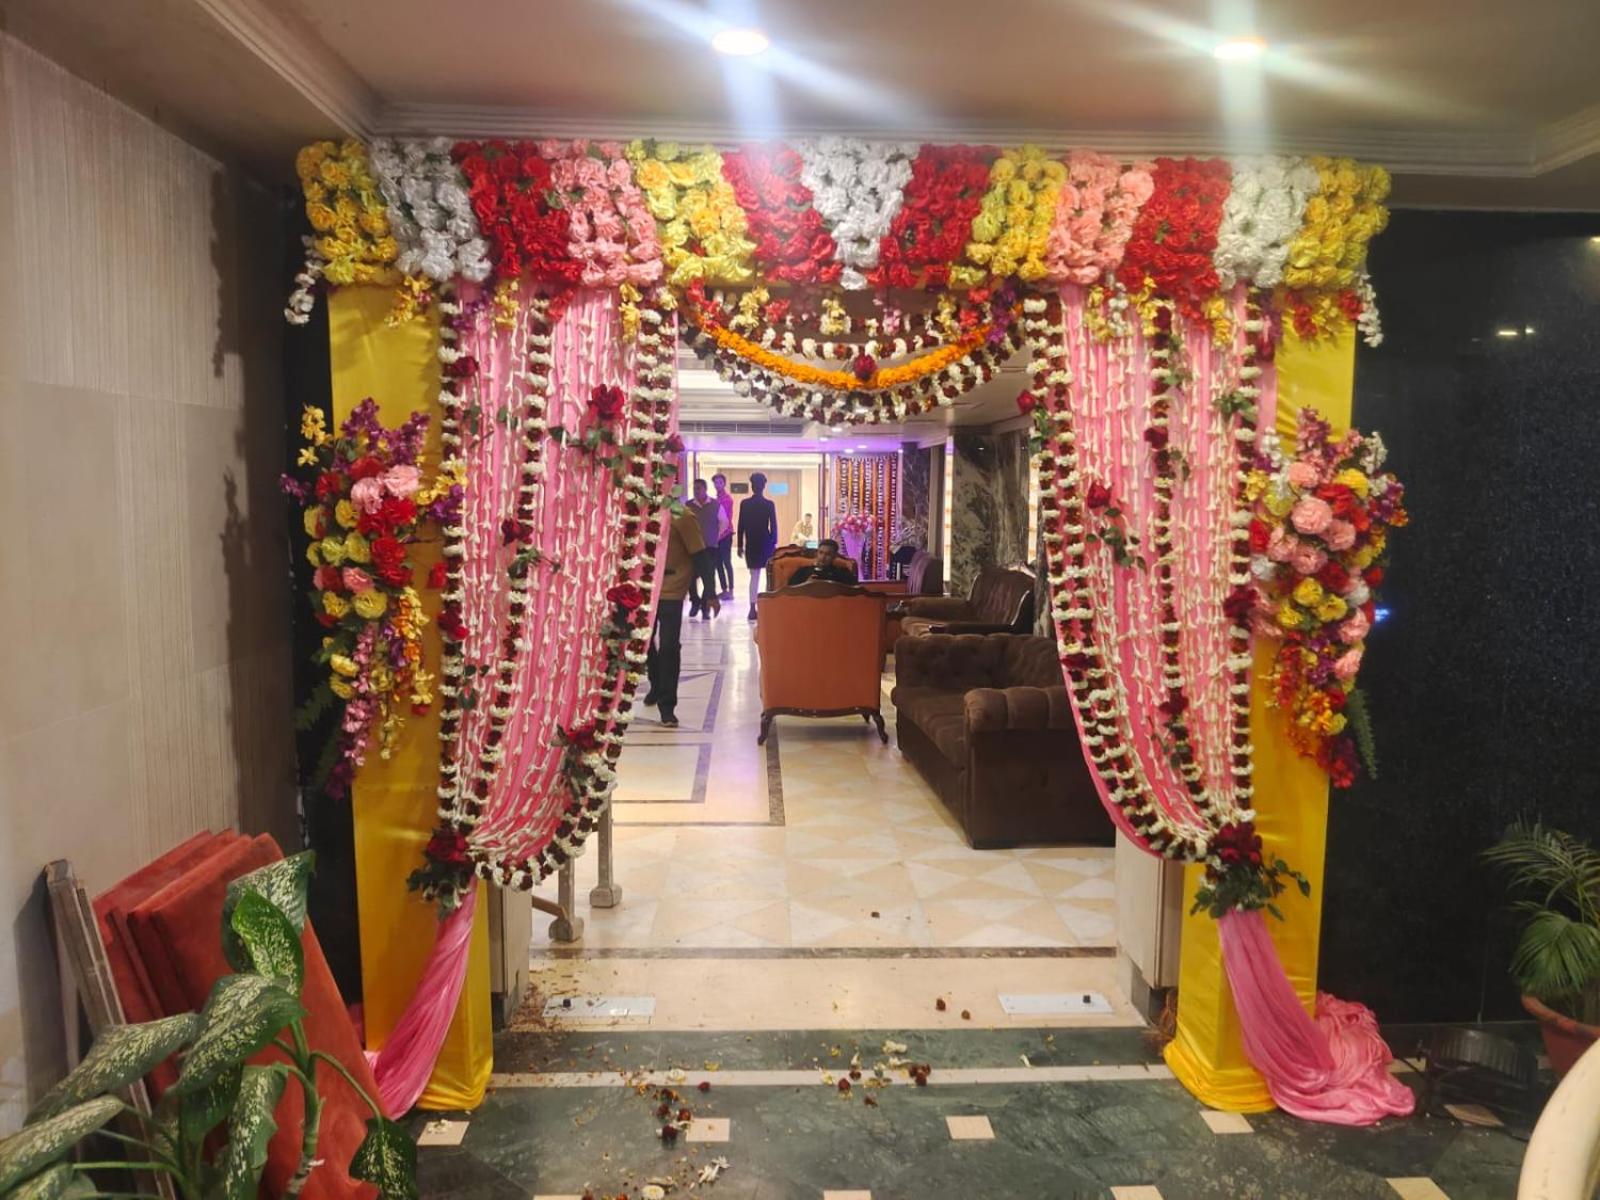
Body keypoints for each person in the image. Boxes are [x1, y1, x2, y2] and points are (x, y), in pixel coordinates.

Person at [643, 506, 706, 727]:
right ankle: (656, 683)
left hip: (672, 588)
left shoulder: (682, 515)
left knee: (669, 646)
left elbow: (699, 554)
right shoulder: (641, 511)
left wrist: (708, 592)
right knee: (644, 642)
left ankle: (667, 706)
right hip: (644, 587)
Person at [736, 472, 779, 621]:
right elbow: (774, 526)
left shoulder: (745, 503)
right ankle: (767, 607)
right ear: (763, 486)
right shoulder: (769, 504)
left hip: (752, 543)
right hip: (766, 543)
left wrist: (740, 545)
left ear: (752, 486)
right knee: (769, 577)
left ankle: (752, 608)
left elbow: (741, 525)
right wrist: (774, 543)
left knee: (754, 576)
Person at [685, 479, 723, 620]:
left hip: (710, 547)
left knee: (709, 579)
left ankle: (705, 606)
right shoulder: (688, 506)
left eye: (699, 488)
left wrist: (715, 536)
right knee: (690, 577)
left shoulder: (715, 505)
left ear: (705, 489)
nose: (696, 491)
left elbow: (724, 522)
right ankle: (694, 601)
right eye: (694, 488)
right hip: (692, 547)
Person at [789, 538, 858, 586]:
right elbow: (790, 590)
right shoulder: (804, 571)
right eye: (821, 553)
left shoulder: (842, 573)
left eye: (828, 554)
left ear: (834, 556)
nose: (823, 557)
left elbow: (853, 590)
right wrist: (806, 584)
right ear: (816, 553)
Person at [712, 473, 735, 600]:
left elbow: (725, 519)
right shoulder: (715, 500)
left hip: (726, 534)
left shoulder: (727, 499)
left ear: (724, 484)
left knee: (726, 562)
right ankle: (724, 589)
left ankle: (731, 590)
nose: (718, 485)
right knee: (718, 563)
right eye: (716, 482)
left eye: (720, 482)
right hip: (716, 536)